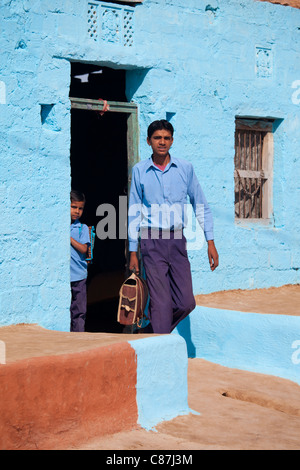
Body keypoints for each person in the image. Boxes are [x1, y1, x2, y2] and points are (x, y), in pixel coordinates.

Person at [128, 120, 219, 334]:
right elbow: (133, 210)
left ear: (172, 140)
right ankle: (160, 354)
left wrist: (210, 242)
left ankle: (150, 333)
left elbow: (200, 204)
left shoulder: (185, 168)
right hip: (151, 242)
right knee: (160, 304)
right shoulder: (140, 171)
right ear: (149, 141)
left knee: (186, 302)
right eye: (157, 138)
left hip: (178, 241)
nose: (162, 142)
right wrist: (133, 251)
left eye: (166, 138)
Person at [70, 190, 90, 332]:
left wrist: (69, 239)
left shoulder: (82, 228)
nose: (77, 211)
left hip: (79, 276)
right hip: (65, 278)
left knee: (79, 311)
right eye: (74, 207)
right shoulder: (58, 227)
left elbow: (84, 249)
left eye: (80, 208)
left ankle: (78, 337)